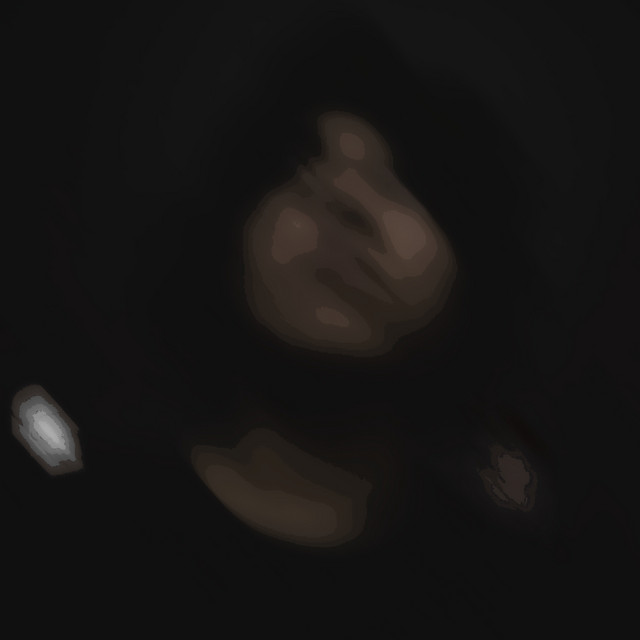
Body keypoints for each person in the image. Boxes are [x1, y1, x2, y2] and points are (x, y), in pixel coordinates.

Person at [5, 0, 639, 635]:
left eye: (410, 181)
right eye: (298, 166)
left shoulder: (526, 597)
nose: (342, 198)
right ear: (229, 239)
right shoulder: (60, 533)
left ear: (479, 279)